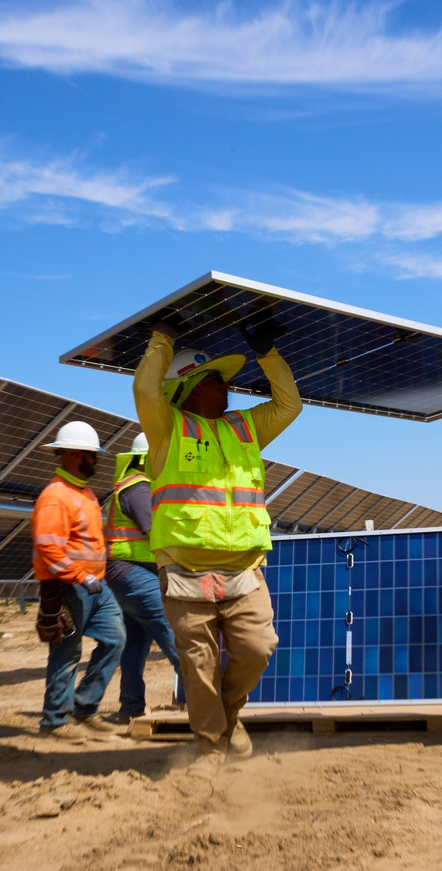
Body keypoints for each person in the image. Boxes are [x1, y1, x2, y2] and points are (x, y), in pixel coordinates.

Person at [133, 313, 301, 778]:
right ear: (186, 390)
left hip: (244, 569)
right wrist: (161, 341)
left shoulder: (247, 427)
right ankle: (209, 750)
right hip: (185, 572)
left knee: (259, 647)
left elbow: (289, 405)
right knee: (199, 666)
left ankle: (225, 720)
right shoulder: (166, 429)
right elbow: (146, 391)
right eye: (213, 380)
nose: (226, 387)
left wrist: (268, 353)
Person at [32, 420, 126, 743]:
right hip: (70, 587)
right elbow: (47, 547)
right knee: (67, 654)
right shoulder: (56, 496)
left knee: (115, 640)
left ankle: (83, 708)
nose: (96, 461)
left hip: (95, 587)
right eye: (92, 455)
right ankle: (54, 721)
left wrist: (94, 575)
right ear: (74, 455)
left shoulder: (84, 493)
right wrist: (80, 575)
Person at [104, 432, 182, 721]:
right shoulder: (138, 488)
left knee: (135, 644)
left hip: (129, 573)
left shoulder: (139, 486)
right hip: (131, 572)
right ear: (148, 457)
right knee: (175, 633)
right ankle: (203, 704)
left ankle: (130, 707)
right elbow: (157, 535)